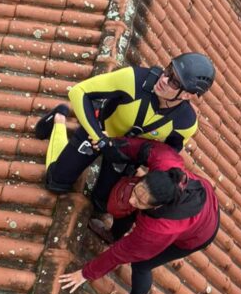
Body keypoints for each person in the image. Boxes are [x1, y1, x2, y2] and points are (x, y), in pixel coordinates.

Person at [35, 53, 216, 213]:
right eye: (168, 70)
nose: (164, 79)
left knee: (102, 204)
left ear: (187, 95)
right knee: (56, 183)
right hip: (98, 133)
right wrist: (101, 139)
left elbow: (166, 155)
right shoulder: (134, 79)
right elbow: (78, 91)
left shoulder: (185, 123)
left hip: (124, 154)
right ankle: (59, 119)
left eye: (174, 82)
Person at [57, 137, 220, 294]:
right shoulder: (166, 161)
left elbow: (120, 253)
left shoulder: (159, 229)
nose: (133, 200)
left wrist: (85, 273)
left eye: (141, 201)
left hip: (199, 233)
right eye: (136, 192)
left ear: (158, 205)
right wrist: (112, 143)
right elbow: (143, 147)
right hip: (202, 199)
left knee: (142, 264)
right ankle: (113, 234)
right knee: (130, 207)